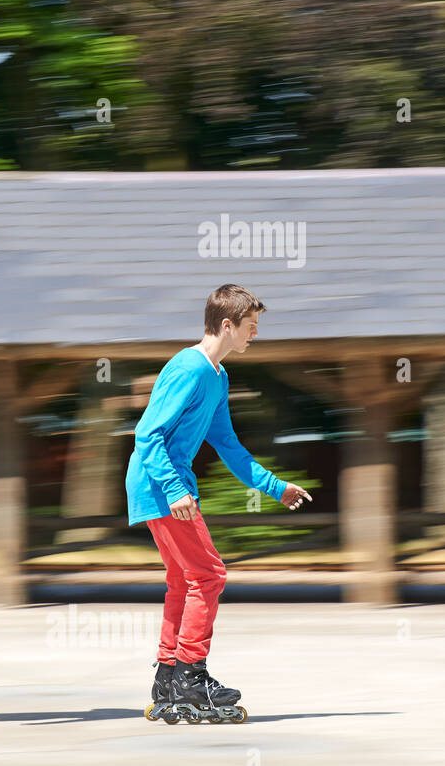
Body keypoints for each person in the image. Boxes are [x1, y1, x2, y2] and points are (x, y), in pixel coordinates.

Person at [127, 284, 312, 724]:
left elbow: (229, 446)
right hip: (159, 485)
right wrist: (175, 490)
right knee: (210, 574)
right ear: (227, 325)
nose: (254, 335)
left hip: (162, 486)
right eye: (250, 327)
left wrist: (274, 487)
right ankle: (191, 673)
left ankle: (169, 675)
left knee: (184, 579)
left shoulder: (217, 375)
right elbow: (146, 434)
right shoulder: (188, 368)